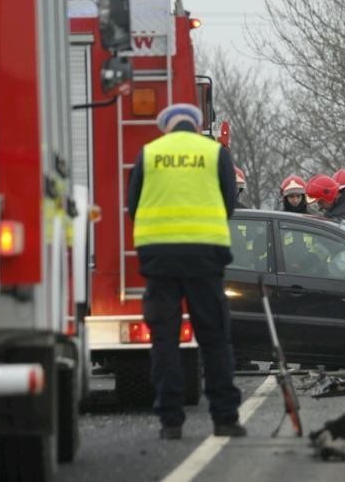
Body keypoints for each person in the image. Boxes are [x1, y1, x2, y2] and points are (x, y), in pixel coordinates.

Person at [127, 103, 245, 440]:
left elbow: (133, 205)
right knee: (214, 339)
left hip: (160, 260)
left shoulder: (149, 154)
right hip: (205, 257)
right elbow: (229, 202)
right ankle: (224, 418)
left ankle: (171, 422)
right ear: (195, 125)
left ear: (166, 127)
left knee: (164, 340)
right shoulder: (214, 153)